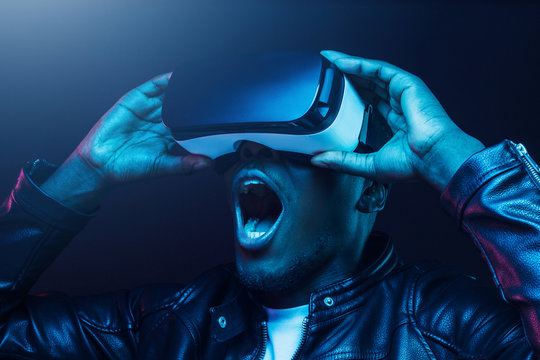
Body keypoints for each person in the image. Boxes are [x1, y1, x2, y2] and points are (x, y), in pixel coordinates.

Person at [0, 50, 538, 359]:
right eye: (238, 150)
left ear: (371, 191)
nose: (251, 153)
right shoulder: (164, 325)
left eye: (291, 148)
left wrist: (453, 158)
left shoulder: (445, 327)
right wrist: (83, 173)